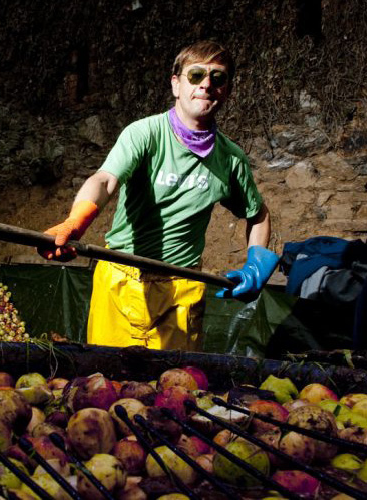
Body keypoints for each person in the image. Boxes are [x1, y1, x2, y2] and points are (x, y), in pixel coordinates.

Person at [38, 40, 278, 351]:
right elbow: (106, 180)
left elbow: (258, 214)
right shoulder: (145, 134)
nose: (206, 85)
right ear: (176, 84)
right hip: (122, 281)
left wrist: (256, 264)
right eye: (196, 75)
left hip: (181, 291)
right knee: (104, 385)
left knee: (176, 388)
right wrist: (77, 220)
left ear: (227, 90)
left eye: (217, 78)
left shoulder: (230, 159)